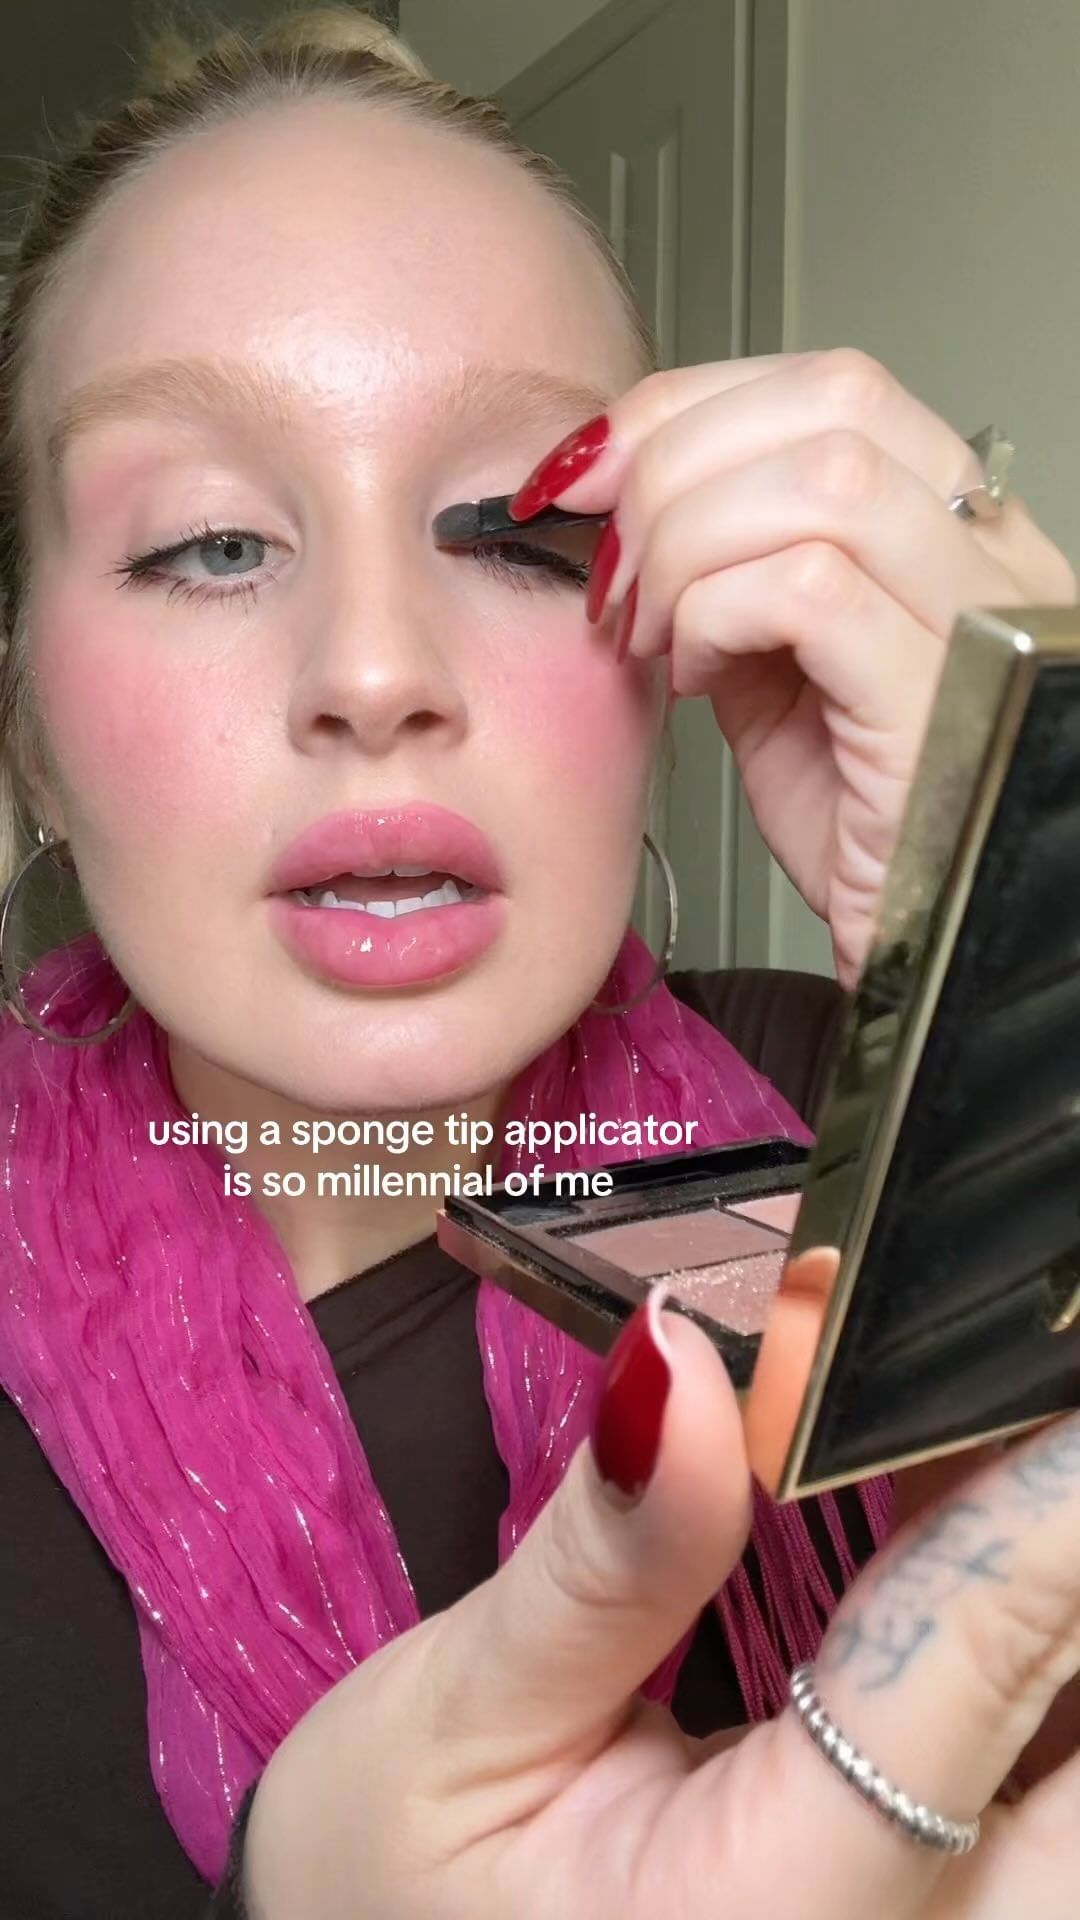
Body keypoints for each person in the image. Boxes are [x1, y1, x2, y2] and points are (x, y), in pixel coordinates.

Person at [0, 9, 1076, 1918]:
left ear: (669, 644)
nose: (375, 673)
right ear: (31, 742)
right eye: (210, 544)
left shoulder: (864, 1110)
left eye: (517, 537)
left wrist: (1041, 940)